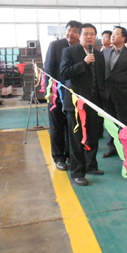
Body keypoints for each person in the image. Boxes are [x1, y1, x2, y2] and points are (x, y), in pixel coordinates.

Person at [60, 23, 106, 186]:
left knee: (93, 135)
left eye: (92, 34)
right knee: (77, 138)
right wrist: (84, 63)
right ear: (79, 36)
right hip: (76, 104)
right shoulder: (69, 52)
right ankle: (77, 172)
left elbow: (101, 78)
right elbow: (64, 73)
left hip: (95, 103)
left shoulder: (99, 54)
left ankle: (91, 165)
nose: (89, 37)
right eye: (86, 34)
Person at [44, 20, 82, 171]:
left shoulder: (81, 49)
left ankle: (70, 156)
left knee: (72, 127)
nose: (70, 33)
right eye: (68, 30)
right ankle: (59, 157)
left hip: (74, 96)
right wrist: (50, 92)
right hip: (57, 94)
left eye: (74, 31)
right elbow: (48, 69)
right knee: (57, 126)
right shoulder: (56, 46)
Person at [102, 26, 127, 158]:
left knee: (125, 123)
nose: (112, 36)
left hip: (123, 94)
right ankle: (112, 147)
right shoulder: (105, 52)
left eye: (116, 34)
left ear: (123, 38)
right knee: (111, 122)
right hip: (107, 94)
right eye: (112, 34)